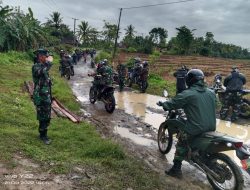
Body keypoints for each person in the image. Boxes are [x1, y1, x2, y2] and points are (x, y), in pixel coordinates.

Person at [157, 69, 216, 178]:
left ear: (189, 80)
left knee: (181, 142)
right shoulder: (211, 92)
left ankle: (176, 169)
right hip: (211, 126)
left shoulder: (188, 93)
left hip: (196, 128)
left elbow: (173, 103)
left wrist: (164, 104)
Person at [32, 49, 53, 145]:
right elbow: (41, 71)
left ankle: (44, 132)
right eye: (46, 56)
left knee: (47, 115)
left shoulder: (43, 66)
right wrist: (49, 63)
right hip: (40, 95)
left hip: (46, 95)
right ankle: (43, 135)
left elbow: (46, 80)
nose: (47, 58)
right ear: (40, 56)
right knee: (42, 115)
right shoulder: (36, 66)